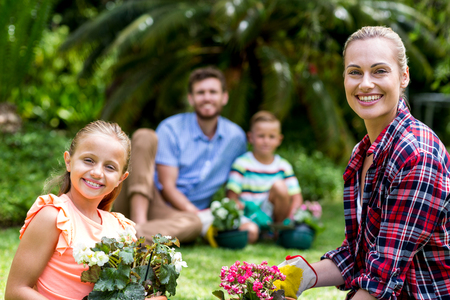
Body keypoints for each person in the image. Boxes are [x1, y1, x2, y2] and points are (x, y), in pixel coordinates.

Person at [275, 26, 450, 299]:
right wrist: (297, 276)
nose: (365, 83)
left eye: (379, 71)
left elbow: (380, 281)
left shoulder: (416, 155)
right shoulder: (364, 151)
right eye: (355, 72)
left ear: (403, 76)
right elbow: (359, 254)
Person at [113, 66, 253, 244]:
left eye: (213, 92)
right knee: (144, 136)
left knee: (194, 225)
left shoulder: (236, 138)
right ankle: (137, 224)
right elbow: (168, 187)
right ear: (191, 98)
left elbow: (237, 180)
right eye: (201, 92)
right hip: (149, 200)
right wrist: (198, 214)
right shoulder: (171, 128)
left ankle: (130, 234)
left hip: (180, 218)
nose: (207, 97)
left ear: (224, 97)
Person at [5, 120, 136, 300]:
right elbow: (15, 291)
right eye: (89, 160)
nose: (97, 172)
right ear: (69, 161)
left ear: (121, 178)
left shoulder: (121, 228)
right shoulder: (54, 216)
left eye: (110, 167)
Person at [226, 111, 304, 240]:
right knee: (250, 234)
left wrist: (290, 219)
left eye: (271, 136)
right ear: (250, 137)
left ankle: (277, 230)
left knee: (280, 186)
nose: (266, 141)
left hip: (272, 215)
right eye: (261, 136)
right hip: (249, 214)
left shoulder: (283, 166)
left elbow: (297, 198)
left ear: (279, 139)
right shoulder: (242, 163)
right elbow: (231, 198)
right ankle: (260, 233)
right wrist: (248, 209)